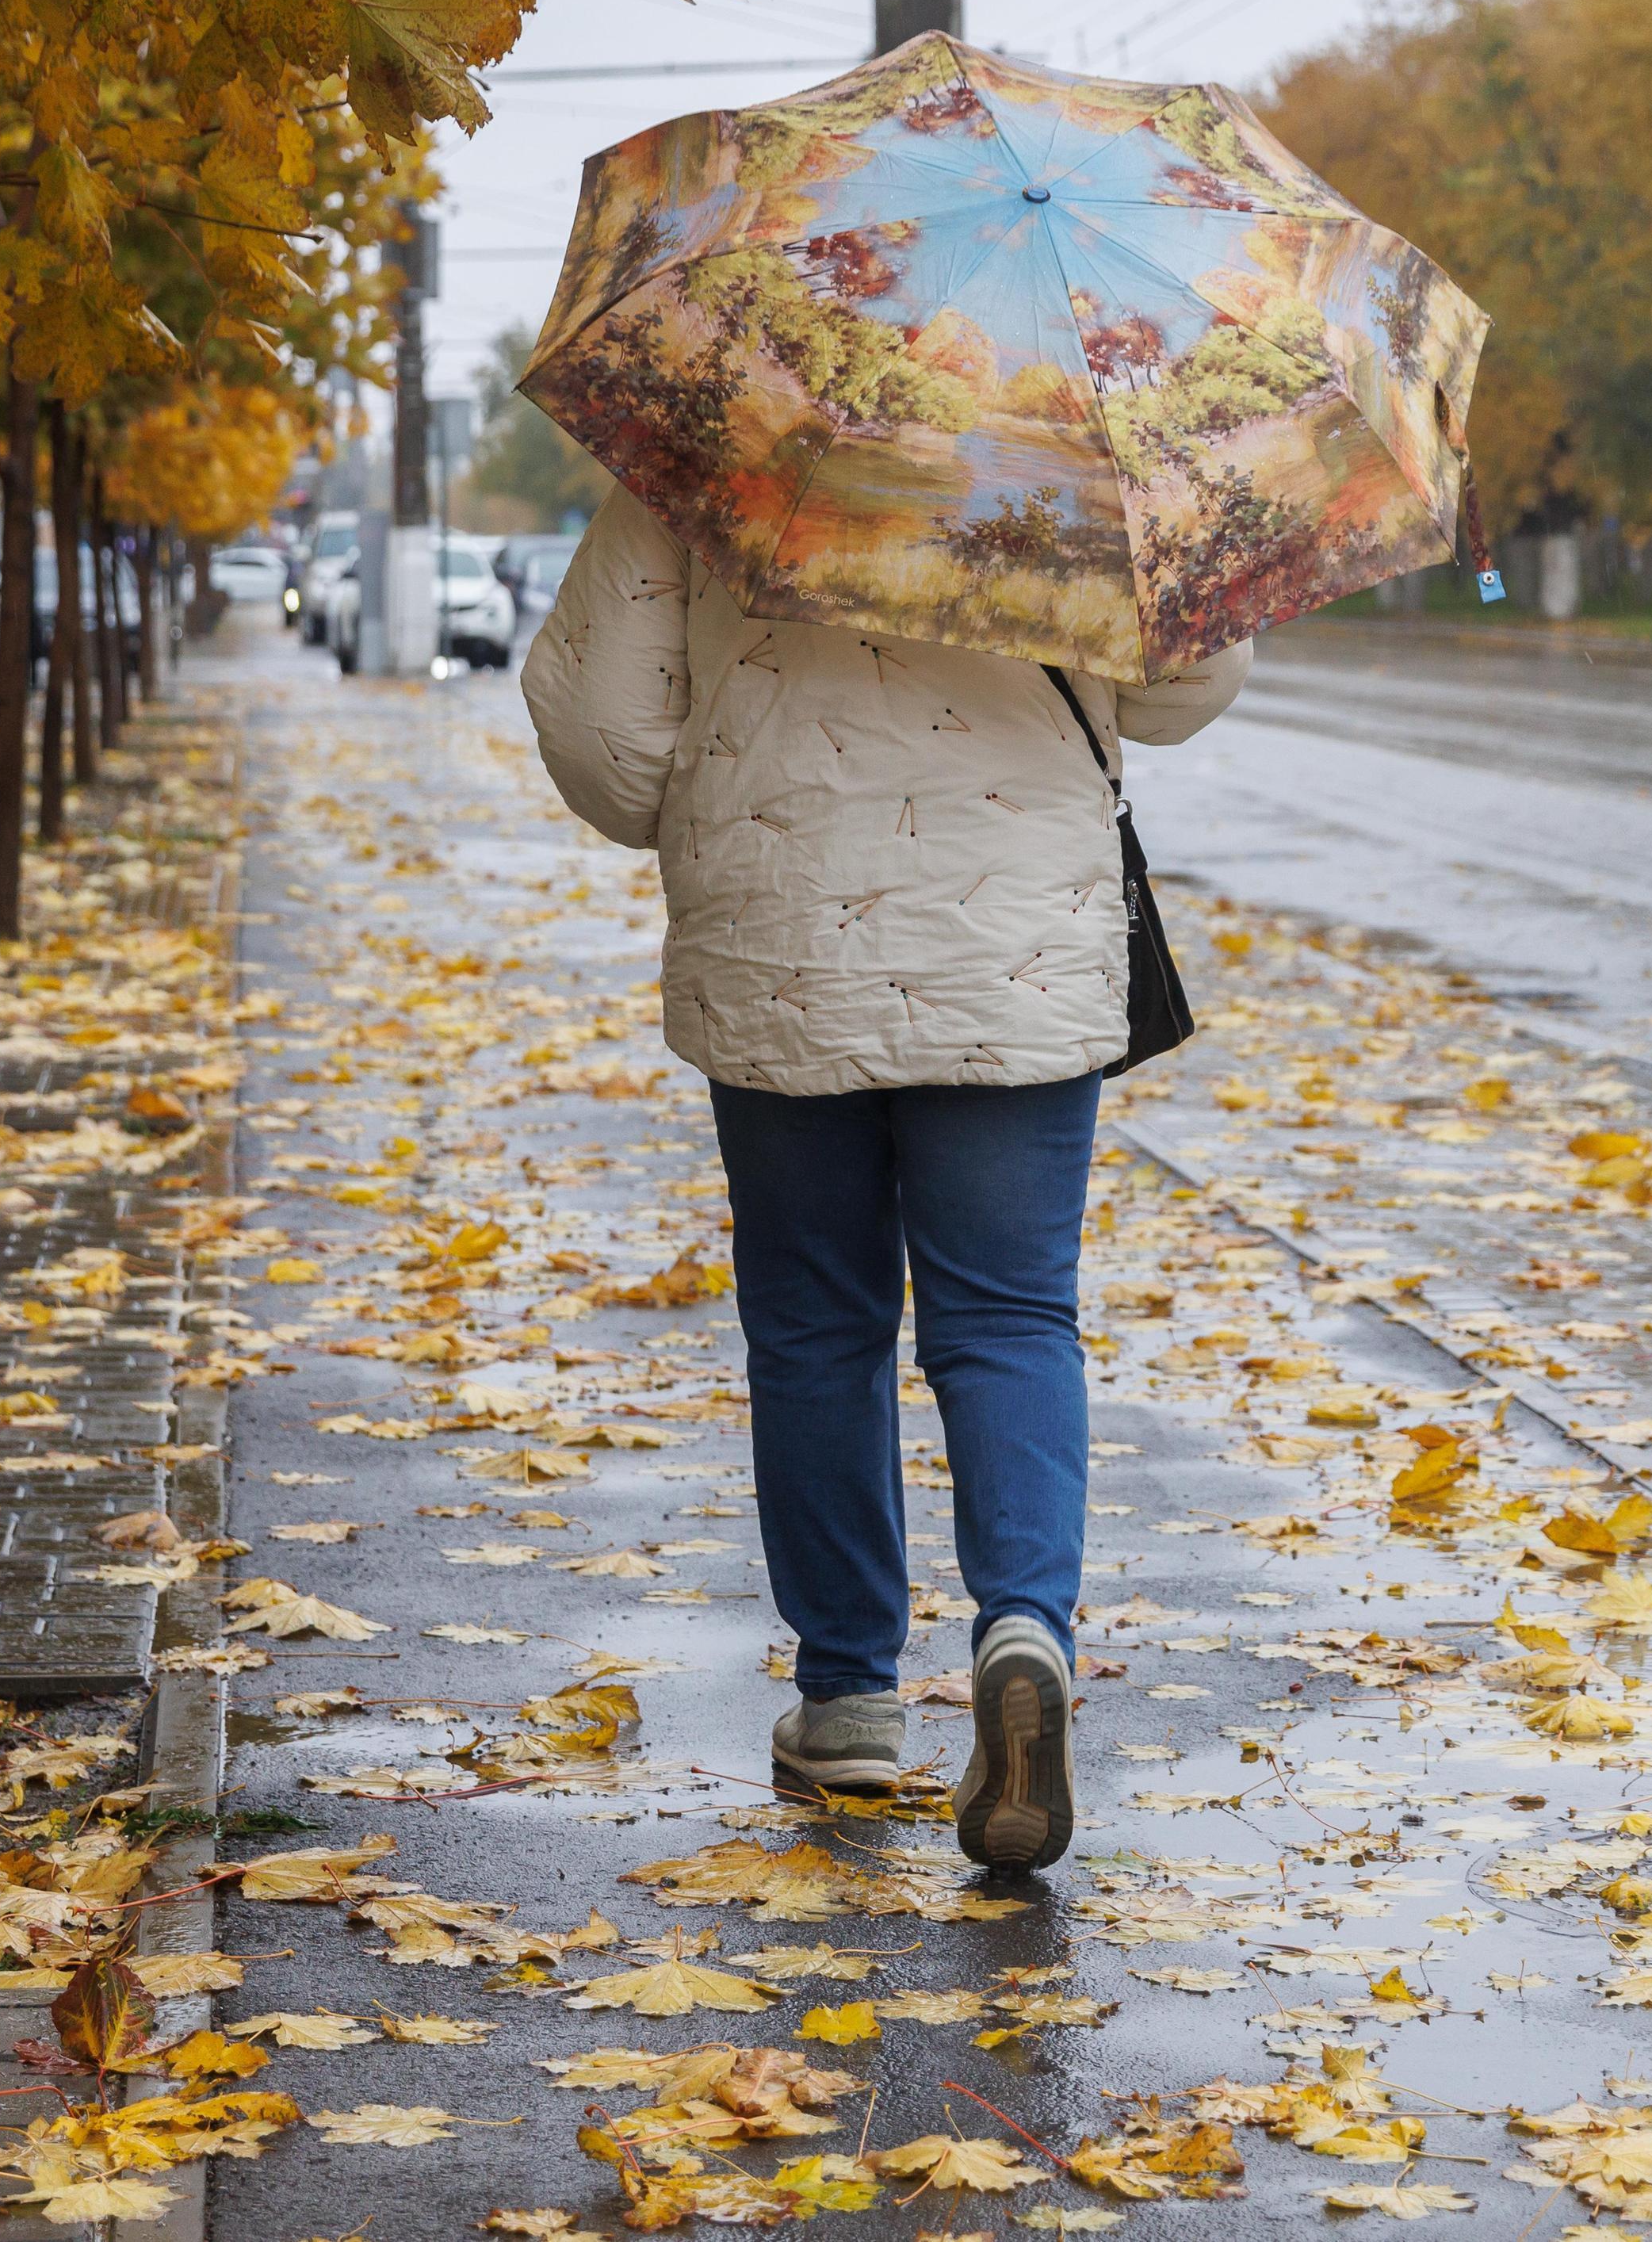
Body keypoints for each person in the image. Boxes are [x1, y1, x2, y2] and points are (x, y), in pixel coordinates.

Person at [521, 486, 1245, 1872]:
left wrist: (736, 792)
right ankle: (1025, 1628)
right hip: (1015, 944)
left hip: (780, 930)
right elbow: (1187, 680)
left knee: (812, 1325)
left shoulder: (712, 422)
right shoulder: (1061, 431)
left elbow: (605, 739)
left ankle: (849, 1698)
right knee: (1010, 1317)